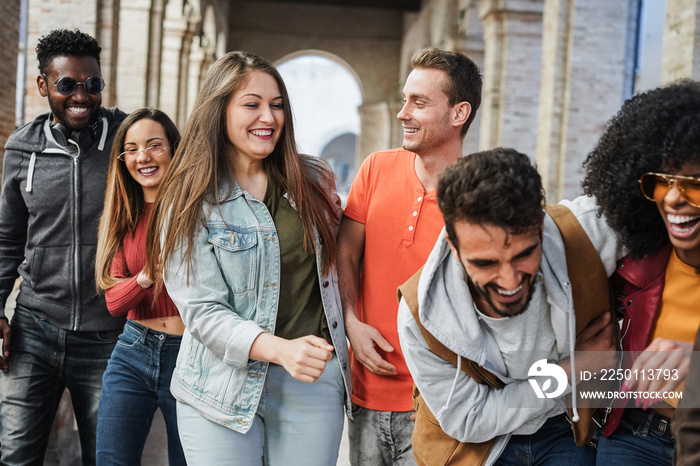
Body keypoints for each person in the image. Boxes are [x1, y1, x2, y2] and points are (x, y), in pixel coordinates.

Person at [144, 50, 351, 465]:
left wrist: (355, 325)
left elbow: (344, 266)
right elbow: (202, 311)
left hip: (311, 381)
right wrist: (278, 349)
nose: (269, 118)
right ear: (219, 110)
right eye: (252, 104)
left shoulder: (314, 179)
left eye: (276, 105)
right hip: (218, 386)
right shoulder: (188, 198)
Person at [397, 149, 623, 465]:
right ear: (453, 244)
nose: (508, 280)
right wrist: (569, 372)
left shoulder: (580, 234)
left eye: (523, 255)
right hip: (474, 447)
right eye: (486, 262)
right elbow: (471, 420)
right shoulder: (420, 315)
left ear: (541, 227)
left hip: (565, 426)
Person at [337, 47, 482, 465]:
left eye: (419, 103)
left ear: (458, 114)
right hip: (365, 396)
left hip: (441, 409)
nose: (403, 113)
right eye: (405, 100)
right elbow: (346, 251)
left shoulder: (479, 197)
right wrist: (351, 323)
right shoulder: (375, 169)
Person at [0, 29, 127, 465]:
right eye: (66, 84)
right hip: (34, 329)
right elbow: (7, 238)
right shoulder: (22, 149)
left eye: (92, 85)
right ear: (42, 86)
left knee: (106, 457)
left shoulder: (125, 140)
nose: (81, 95)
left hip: (107, 334)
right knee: (15, 454)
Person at [582, 80, 700, 465]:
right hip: (635, 434)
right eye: (661, 182)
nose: (673, 197)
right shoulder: (636, 260)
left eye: (692, 185)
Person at [94, 108, 186, 465]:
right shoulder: (122, 215)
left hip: (190, 353)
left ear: (173, 150)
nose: (142, 157)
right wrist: (147, 276)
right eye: (131, 148)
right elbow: (115, 303)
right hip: (132, 350)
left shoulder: (195, 211)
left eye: (154, 145)